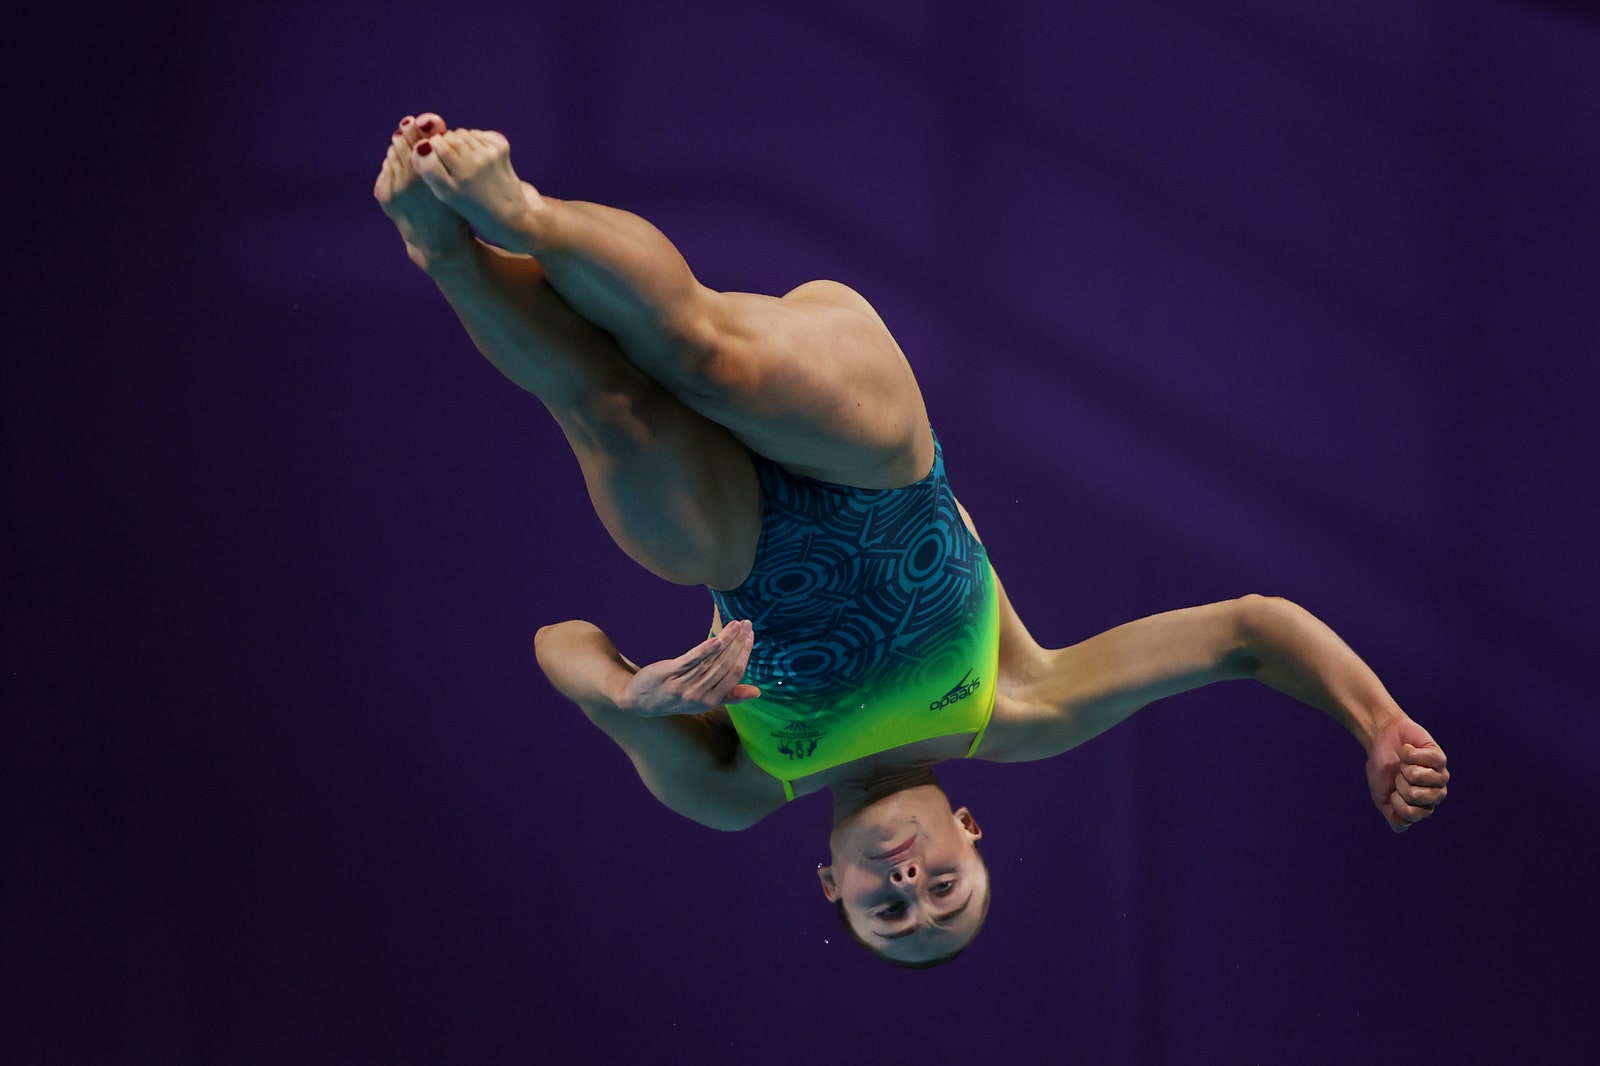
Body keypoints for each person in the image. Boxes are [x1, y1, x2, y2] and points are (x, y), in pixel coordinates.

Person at [373, 113, 1450, 967]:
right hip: (874, 458)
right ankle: (521, 208)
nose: (909, 881)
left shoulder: (739, 789)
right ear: (969, 831)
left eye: (890, 909)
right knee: (704, 356)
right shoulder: (1022, 706)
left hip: (744, 546)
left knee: (617, 410)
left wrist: (629, 697)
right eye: (945, 888)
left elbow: (560, 645)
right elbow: (1246, 634)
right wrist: (1378, 722)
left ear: (831, 885)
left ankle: (439, 245)